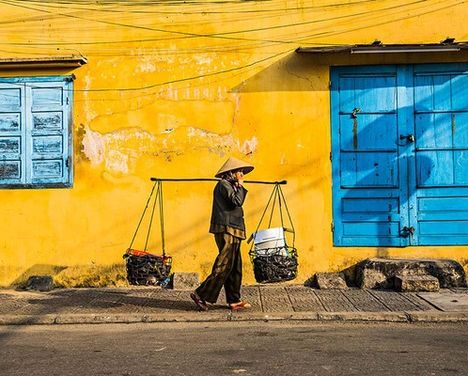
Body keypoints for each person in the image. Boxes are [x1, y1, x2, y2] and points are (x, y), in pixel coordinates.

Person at [191, 157, 254, 311]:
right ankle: (201, 294)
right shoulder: (224, 185)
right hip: (227, 229)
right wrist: (240, 186)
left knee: (235, 266)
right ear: (231, 173)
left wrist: (238, 185)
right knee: (224, 265)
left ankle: (234, 299)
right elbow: (237, 202)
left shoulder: (230, 185)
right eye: (239, 172)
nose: (241, 175)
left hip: (234, 228)